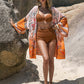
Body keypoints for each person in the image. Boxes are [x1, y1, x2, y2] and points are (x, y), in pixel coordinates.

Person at [9, 0, 69, 84]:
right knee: (46, 58)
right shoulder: (35, 9)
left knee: (51, 60)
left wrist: (57, 26)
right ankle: (45, 82)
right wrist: (15, 25)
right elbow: (26, 19)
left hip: (52, 36)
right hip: (40, 36)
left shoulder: (52, 10)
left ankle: (50, 82)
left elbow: (63, 18)